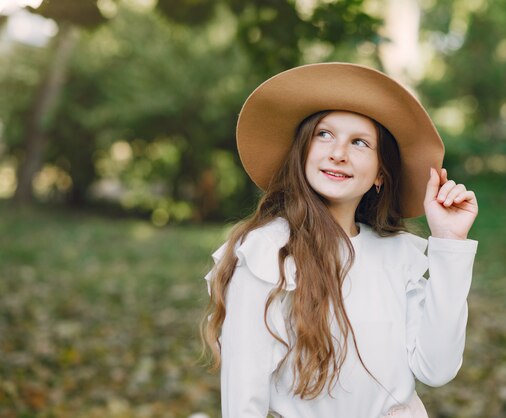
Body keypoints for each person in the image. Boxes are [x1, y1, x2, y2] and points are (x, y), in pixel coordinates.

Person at [201, 62, 479, 418]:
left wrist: (449, 244)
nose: (338, 153)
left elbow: (437, 369)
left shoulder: (395, 255)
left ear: (380, 173)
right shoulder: (266, 254)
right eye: (324, 134)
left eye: (359, 142)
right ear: (301, 151)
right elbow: (243, 400)